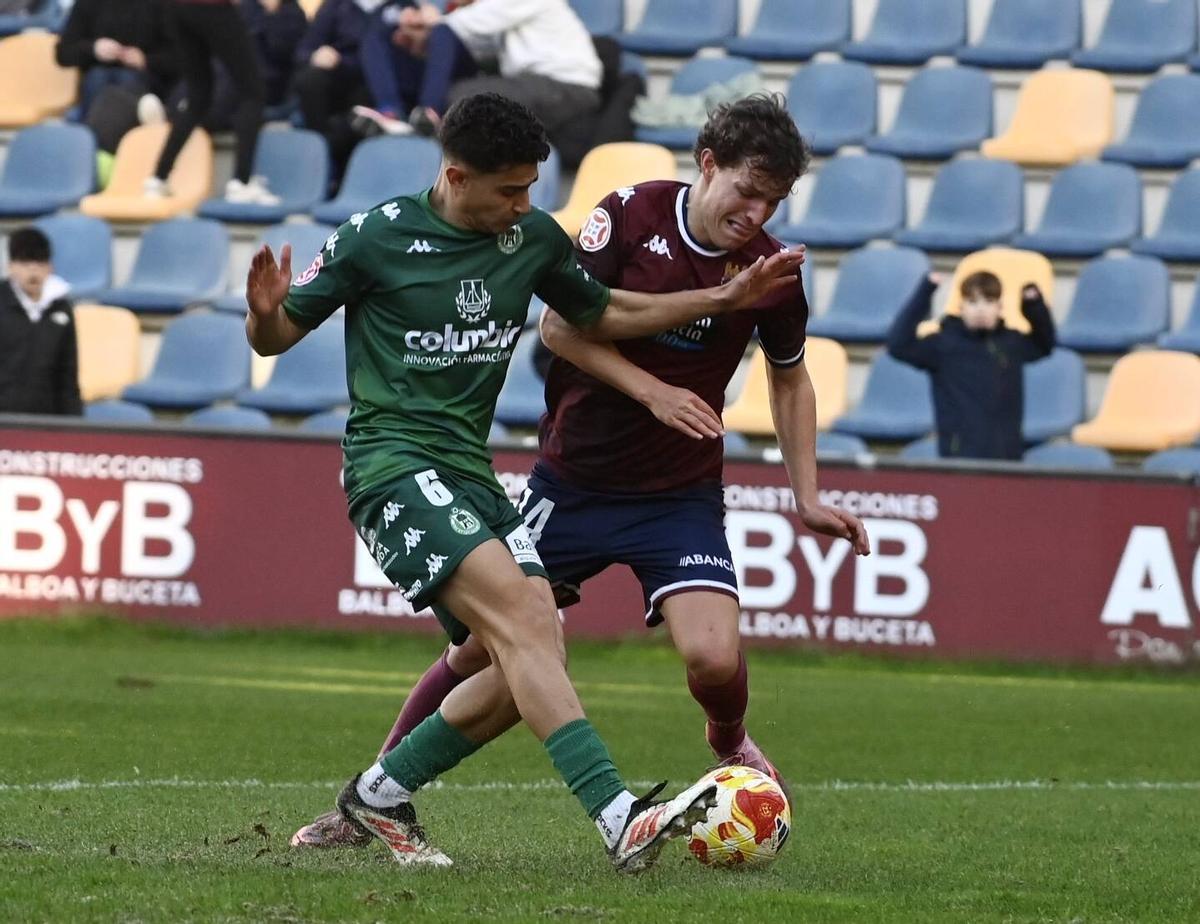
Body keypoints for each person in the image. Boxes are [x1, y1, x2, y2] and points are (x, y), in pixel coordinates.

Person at [290, 94, 871, 850]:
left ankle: (727, 739)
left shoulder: (770, 272)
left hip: (679, 492)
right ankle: (374, 796)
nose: (757, 212)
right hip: (576, 481)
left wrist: (809, 496)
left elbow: (790, 376)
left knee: (712, 655)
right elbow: (568, 325)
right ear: (708, 164)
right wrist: (653, 388)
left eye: (774, 200)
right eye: (747, 190)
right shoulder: (627, 217)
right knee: (481, 650)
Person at [354, 0, 600, 139]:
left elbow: (470, 22)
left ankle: (425, 117)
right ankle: (392, 112)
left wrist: (431, 19)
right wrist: (422, 41)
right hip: (534, 83)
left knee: (459, 99)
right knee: (379, 37)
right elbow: (469, 44)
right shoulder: (495, 19)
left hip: (567, 87)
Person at [887, 271, 1056, 460]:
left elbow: (1045, 344)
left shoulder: (1011, 343)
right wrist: (925, 291)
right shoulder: (942, 345)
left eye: (989, 302)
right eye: (973, 302)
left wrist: (1033, 304)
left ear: (1000, 307)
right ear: (961, 307)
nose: (981, 309)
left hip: (1007, 458)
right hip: (959, 458)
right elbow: (898, 345)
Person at [146, 0, 279, 205]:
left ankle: (158, 177)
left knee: (198, 98)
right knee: (252, 92)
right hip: (212, 6)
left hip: (177, 9)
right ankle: (242, 182)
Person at [55, 0, 176, 156]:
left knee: (125, 80)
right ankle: (97, 151)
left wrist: (146, 60)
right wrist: (93, 48)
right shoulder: (88, 4)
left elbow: (182, 57)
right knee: (99, 77)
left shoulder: (161, 5)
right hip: (98, 80)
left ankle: (97, 151)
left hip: (146, 80)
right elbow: (63, 53)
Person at [0, 228, 83, 417]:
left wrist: (74, 430)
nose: (33, 269)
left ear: (50, 267)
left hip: (46, 422)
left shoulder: (61, 308)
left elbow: (68, 376)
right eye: (24, 262)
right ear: (10, 266)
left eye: (40, 262)